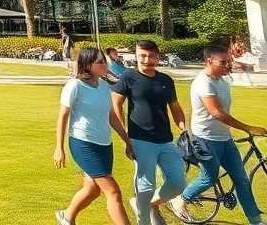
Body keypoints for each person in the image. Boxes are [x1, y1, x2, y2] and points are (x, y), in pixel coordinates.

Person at [171, 45, 267, 225]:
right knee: (209, 178)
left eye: (229, 61)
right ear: (209, 62)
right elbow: (216, 112)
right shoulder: (203, 82)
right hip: (204, 139)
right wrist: (248, 127)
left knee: (242, 179)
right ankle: (181, 199)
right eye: (223, 62)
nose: (228, 65)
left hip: (224, 138)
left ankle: (256, 221)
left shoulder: (221, 80)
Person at [54, 46, 135, 225]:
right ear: (88, 65)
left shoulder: (104, 86)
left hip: (104, 144)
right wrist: (59, 148)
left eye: (105, 61)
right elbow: (63, 117)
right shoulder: (74, 86)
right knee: (113, 192)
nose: (105, 65)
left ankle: (67, 217)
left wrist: (127, 141)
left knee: (92, 189)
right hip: (84, 144)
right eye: (100, 62)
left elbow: (112, 116)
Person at [112, 39, 186, 225]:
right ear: (136, 56)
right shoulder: (129, 77)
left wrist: (184, 130)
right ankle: (143, 220)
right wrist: (125, 138)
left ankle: (149, 204)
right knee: (146, 185)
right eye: (142, 56)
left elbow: (175, 108)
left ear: (158, 57)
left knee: (178, 183)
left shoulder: (166, 80)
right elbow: (116, 105)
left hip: (166, 140)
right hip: (140, 139)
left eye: (151, 56)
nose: (147, 59)